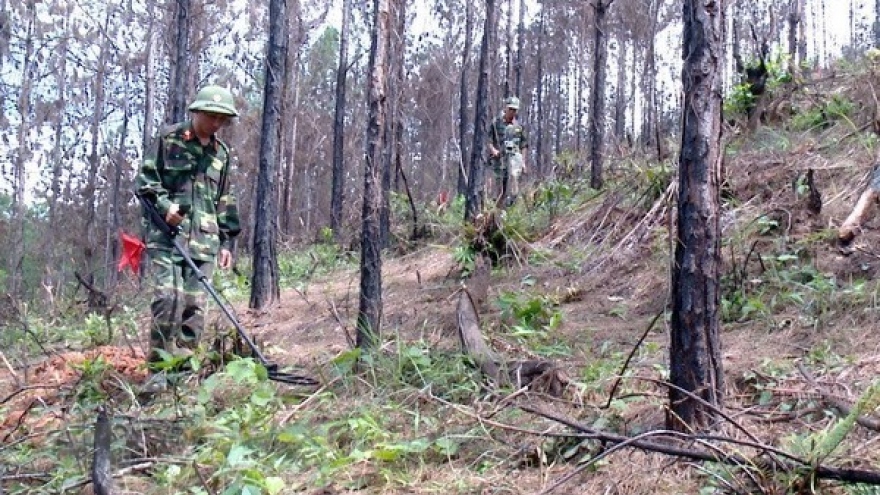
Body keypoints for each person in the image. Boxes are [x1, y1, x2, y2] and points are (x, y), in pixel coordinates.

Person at [135, 85, 241, 392]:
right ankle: (157, 373)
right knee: (168, 299)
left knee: (194, 308)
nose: (216, 124)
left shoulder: (221, 154)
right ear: (196, 112)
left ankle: (181, 378)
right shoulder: (168, 139)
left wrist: (226, 242)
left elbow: (224, 199)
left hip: (205, 243)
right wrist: (166, 208)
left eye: (222, 119)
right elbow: (145, 182)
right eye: (211, 116)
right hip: (168, 237)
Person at [487, 96, 529, 207]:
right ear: (506, 108)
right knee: (500, 185)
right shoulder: (496, 123)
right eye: (510, 109)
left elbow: (524, 145)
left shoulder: (518, 127)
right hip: (499, 160)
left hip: (514, 160)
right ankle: (497, 209)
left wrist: (523, 162)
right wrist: (493, 150)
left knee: (513, 181)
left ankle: (512, 207)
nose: (512, 112)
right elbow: (489, 140)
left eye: (515, 110)